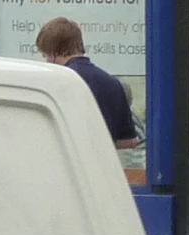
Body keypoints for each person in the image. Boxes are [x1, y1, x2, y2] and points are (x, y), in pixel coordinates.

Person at [35, 17, 141, 149]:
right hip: (103, 165)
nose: (47, 61)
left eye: (45, 55)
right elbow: (129, 141)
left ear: (53, 52)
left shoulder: (61, 81)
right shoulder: (113, 83)